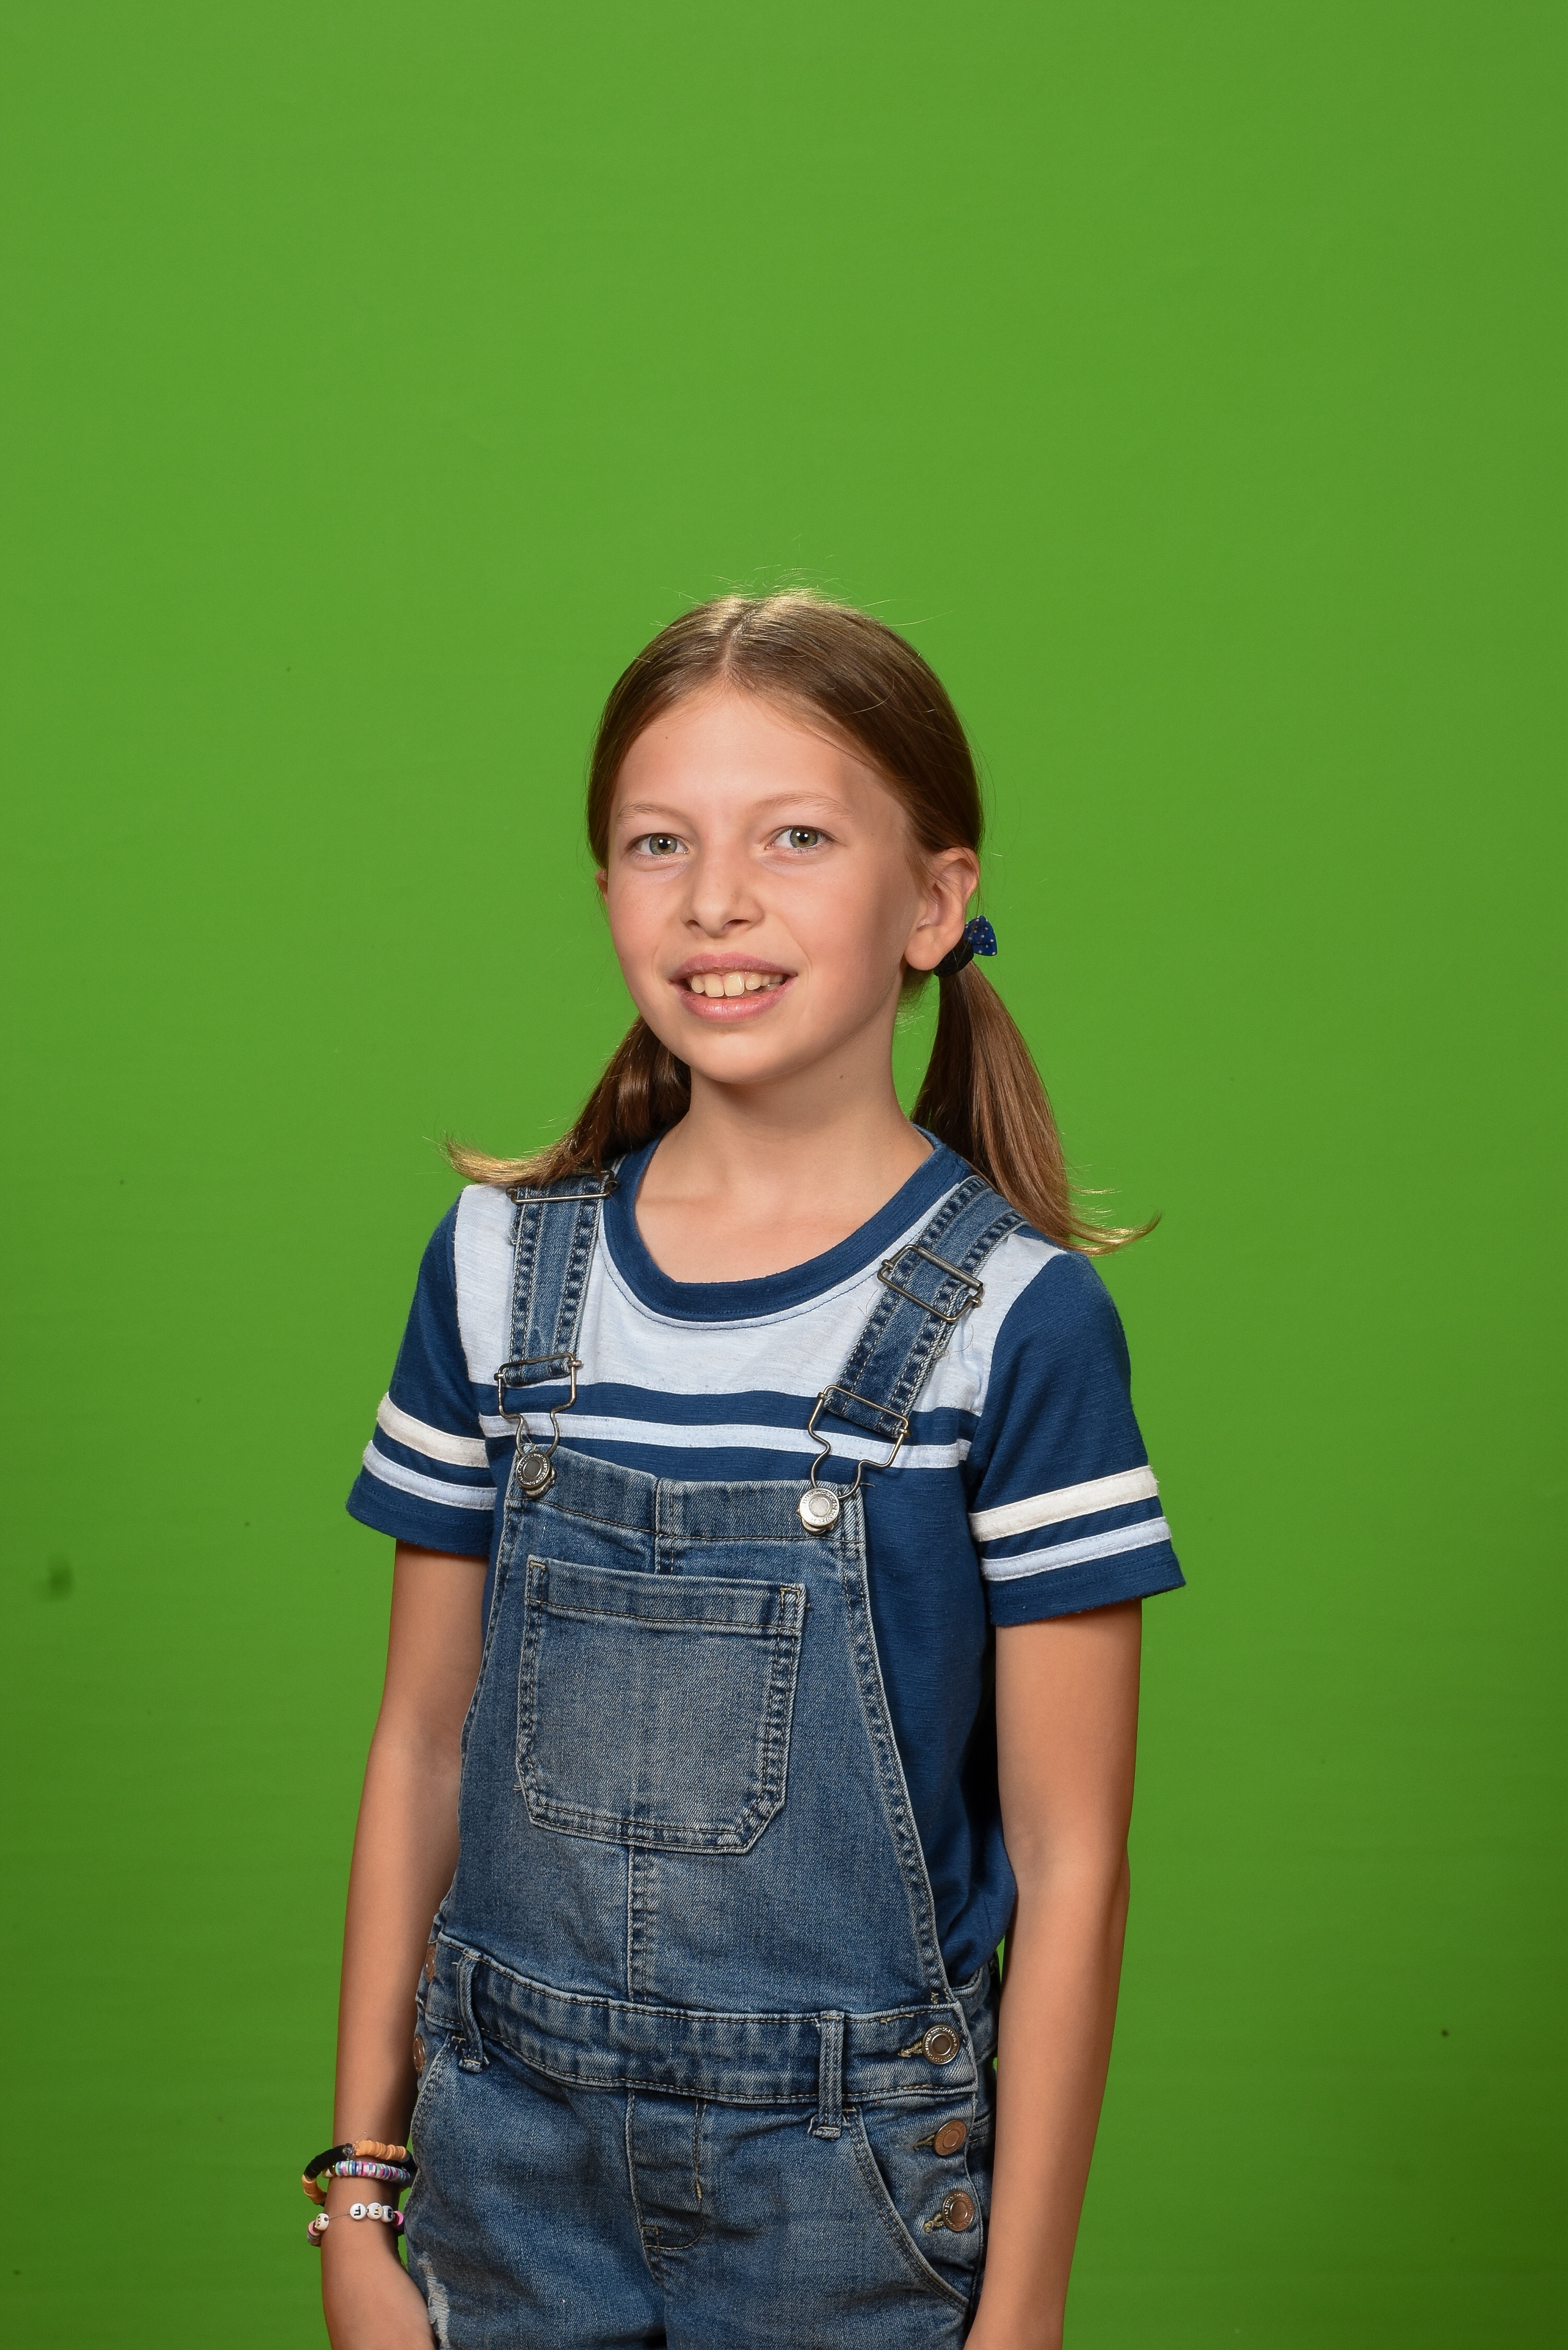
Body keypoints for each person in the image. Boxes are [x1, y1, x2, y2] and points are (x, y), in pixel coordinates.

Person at [313, 593, 1183, 2348]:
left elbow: (1072, 1860)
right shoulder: (494, 1274)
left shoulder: (1017, 1327)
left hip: (852, 2201)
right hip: (503, 2174)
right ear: (608, 888)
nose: (717, 899)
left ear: (933, 901)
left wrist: (1021, 2317)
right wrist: (357, 2190)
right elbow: (419, 1743)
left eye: (796, 837)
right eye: (661, 842)